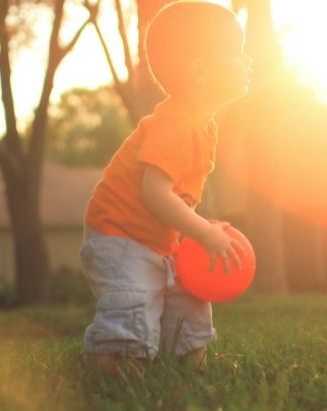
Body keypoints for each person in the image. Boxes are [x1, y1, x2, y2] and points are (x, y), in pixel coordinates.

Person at [80, 0, 252, 375]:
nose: (247, 60)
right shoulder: (176, 124)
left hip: (156, 237)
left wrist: (196, 230)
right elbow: (154, 194)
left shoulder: (202, 126)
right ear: (202, 71)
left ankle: (189, 365)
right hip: (119, 234)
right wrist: (203, 231)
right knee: (135, 300)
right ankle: (113, 363)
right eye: (236, 51)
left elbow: (174, 198)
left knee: (189, 294)